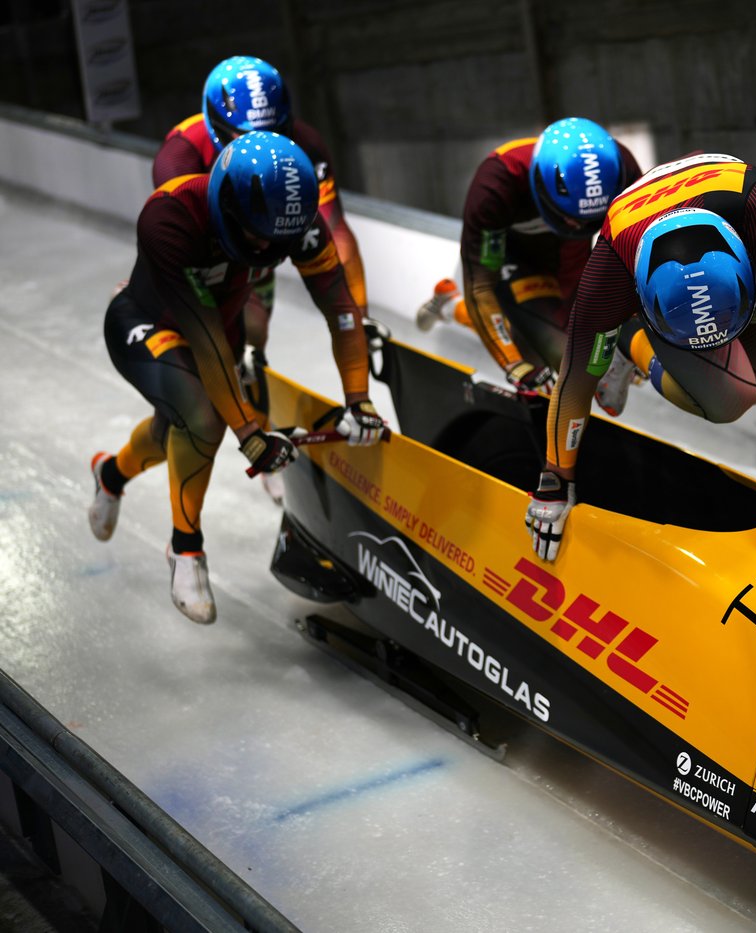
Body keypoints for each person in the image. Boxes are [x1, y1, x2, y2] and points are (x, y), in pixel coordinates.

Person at [89, 131, 387, 624]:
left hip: (213, 329)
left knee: (172, 432)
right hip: (146, 323)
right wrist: (249, 433)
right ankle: (185, 550)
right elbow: (203, 338)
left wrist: (360, 399)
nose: (269, 247)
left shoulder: (298, 225)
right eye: (258, 235)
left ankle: (110, 474)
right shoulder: (171, 215)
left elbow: (341, 311)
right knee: (203, 417)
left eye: (280, 239)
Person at [524, 153, 756, 561]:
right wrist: (554, 482)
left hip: (743, 239)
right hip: (660, 281)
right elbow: (577, 379)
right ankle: (631, 340)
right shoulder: (610, 273)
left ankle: (692, 326)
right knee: (731, 400)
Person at [154, 55, 368, 501]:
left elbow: (333, 228)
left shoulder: (305, 144)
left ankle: (261, 430)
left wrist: (356, 315)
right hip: (211, 262)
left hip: (260, 252)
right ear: (218, 129)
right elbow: (177, 245)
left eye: (277, 134)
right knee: (202, 389)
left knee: (253, 345)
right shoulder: (182, 155)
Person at [415, 117, 643, 407]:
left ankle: (448, 301)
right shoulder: (497, 183)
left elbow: (634, 254)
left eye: (588, 220)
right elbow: (481, 286)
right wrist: (513, 364)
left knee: (580, 342)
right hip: (513, 254)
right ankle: (454, 306)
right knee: (547, 353)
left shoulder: (623, 170)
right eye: (571, 217)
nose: (577, 224)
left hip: (570, 252)